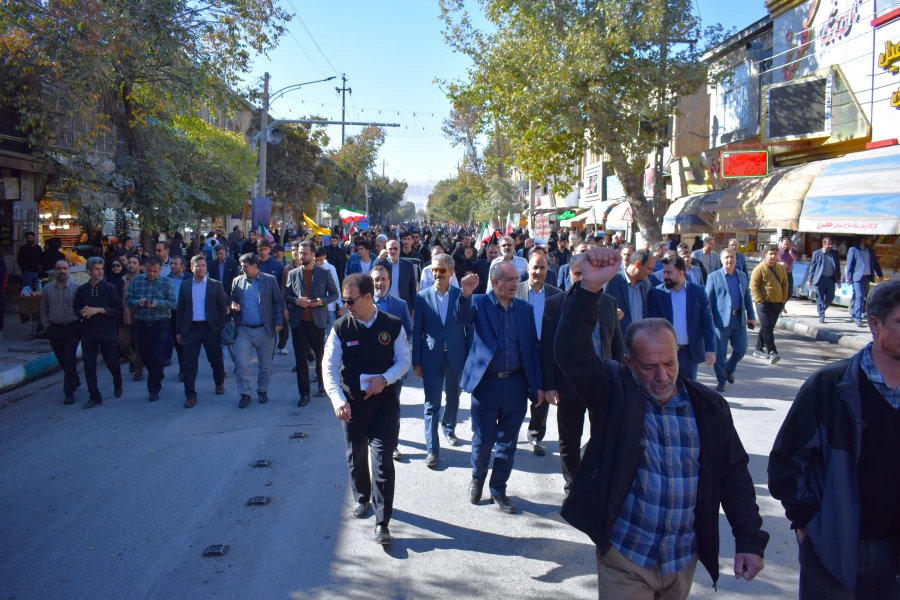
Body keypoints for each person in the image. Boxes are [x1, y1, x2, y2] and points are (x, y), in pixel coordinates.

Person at [558, 246, 768, 598]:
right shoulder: (615, 392)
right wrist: (589, 290)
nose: (661, 375)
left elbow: (734, 473)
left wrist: (749, 539)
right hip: (626, 555)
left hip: (680, 560)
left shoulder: (709, 407)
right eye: (649, 366)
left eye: (669, 364)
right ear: (627, 362)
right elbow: (570, 352)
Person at [768, 279, 900, 600]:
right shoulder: (829, 387)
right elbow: (785, 464)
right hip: (836, 551)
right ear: (874, 325)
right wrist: (811, 526)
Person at [323, 273, 411, 545]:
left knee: (383, 461)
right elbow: (328, 368)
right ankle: (362, 496)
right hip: (352, 406)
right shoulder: (340, 328)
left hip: (384, 405)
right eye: (344, 301)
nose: (346, 305)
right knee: (357, 456)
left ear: (368, 297)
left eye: (350, 301)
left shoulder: (393, 326)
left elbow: (404, 361)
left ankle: (383, 521)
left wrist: (384, 380)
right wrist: (338, 400)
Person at [456, 262, 543, 514]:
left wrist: (536, 386)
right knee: (483, 440)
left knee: (508, 442)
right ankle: (477, 478)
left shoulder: (525, 310)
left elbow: (533, 348)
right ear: (495, 283)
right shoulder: (479, 302)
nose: (515, 284)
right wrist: (464, 295)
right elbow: (460, 318)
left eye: (516, 278)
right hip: (487, 383)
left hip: (516, 383)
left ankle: (498, 488)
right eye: (509, 279)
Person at [541, 252, 623, 495]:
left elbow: (615, 343)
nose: (580, 279)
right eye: (577, 274)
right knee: (569, 439)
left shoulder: (608, 302)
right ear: (569, 275)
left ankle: (593, 479)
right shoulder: (555, 304)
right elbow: (547, 347)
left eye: (584, 274)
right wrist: (548, 385)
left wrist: (622, 377)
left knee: (604, 435)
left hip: (604, 382)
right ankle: (572, 484)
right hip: (569, 385)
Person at [412, 253, 470, 468]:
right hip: (431, 358)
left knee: (453, 398)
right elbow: (418, 330)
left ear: (451, 272)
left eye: (442, 270)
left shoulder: (462, 295)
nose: (437, 274)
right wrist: (416, 361)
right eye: (434, 270)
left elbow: (469, 329)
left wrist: (470, 359)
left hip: (456, 357)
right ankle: (432, 451)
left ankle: (449, 429)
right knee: (431, 405)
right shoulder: (422, 297)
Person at [515, 253, 562, 457]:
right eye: (535, 267)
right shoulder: (515, 290)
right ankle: (508, 433)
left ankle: (536, 434)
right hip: (519, 351)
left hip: (545, 352)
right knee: (515, 394)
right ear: (527, 269)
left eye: (542, 268)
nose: (538, 272)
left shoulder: (556, 294)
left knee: (540, 396)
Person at [285, 241, 339, 407]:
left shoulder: (324, 273)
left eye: (305, 253)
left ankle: (323, 385)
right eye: (300, 253)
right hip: (299, 322)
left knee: (321, 357)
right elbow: (286, 295)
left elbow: (335, 294)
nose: (301, 256)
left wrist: (321, 302)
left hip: (318, 321)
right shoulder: (293, 274)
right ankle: (304, 394)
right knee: (301, 359)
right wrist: (296, 301)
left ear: (313, 255)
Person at [648, 255, 716, 381]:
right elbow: (653, 325)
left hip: (689, 353)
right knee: (666, 387)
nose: (665, 276)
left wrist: (710, 349)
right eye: (664, 272)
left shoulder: (698, 292)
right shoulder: (657, 293)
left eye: (669, 272)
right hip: (666, 352)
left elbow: (707, 322)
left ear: (681, 273)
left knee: (689, 389)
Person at [229, 253, 284, 408]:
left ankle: (262, 390)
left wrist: (279, 322)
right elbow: (233, 298)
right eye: (241, 266)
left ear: (254, 266)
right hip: (244, 330)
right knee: (241, 363)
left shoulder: (269, 280)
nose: (242, 269)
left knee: (265, 364)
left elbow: (278, 302)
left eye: (245, 266)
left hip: (265, 329)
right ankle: (245, 393)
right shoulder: (237, 281)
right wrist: (233, 305)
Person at [370, 265, 413, 460]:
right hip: (369, 367)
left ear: (389, 281)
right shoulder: (365, 304)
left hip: (394, 367)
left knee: (392, 407)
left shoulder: (400, 305)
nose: (380, 283)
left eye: (383, 279)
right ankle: (372, 441)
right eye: (376, 279)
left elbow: (408, 332)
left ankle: (392, 444)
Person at [176, 254, 227, 409]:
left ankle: (219, 383)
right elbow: (181, 310)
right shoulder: (185, 285)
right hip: (191, 329)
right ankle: (190, 395)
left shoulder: (216, 285)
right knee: (189, 363)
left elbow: (221, 309)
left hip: (210, 328)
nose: (201, 268)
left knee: (216, 360)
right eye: (198, 265)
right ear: (192, 268)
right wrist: (179, 331)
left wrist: (219, 326)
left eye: (203, 265)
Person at [73, 257, 123, 409]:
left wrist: (98, 310)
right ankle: (94, 396)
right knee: (89, 366)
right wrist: (82, 312)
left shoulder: (109, 288)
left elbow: (117, 309)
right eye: (97, 269)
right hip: (89, 333)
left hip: (107, 332)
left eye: (102, 268)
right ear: (89, 271)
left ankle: (117, 381)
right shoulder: (81, 290)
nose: (100, 271)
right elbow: (76, 309)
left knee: (111, 362)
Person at [705, 248, 757, 393]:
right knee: (720, 354)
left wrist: (751, 316)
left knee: (741, 348)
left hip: (738, 319)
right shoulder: (713, 277)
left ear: (736, 259)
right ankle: (721, 380)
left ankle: (729, 368)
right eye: (726, 257)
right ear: (721, 260)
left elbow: (747, 297)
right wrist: (707, 322)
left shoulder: (742, 276)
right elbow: (707, 301)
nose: (729, 260)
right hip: (720, 322)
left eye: (732, 257)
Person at [126, 255, 176, 402]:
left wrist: (158, 304)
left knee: (157, 355)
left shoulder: (166, 282)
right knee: (144, 354)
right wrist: (138, 302)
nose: (152, 274)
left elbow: (172, 302)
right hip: (142, 322)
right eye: (149, 270)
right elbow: (128, 299)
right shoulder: (136, 281)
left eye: (155, 271)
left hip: (160, 323)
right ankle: (157, 372)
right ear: (144, 268)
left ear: (160, 270)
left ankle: (153, 389)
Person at [41, 260, 81, 404]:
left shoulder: (77, 288)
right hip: (55, 328)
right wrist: (47, 326)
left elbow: (82, 308)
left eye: (65, 268)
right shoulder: (48, 289)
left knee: (70, 358)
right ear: (54, 271)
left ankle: (68, 392)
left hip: (72, 327)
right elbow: (44, 309)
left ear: (69, 270)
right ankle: (74, 379)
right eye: (59, 269)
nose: (62, 271)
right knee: (62, 359)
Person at [603, 247, 657, 336]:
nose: (651, 273)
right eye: (649, 268)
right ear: (638, 264)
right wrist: (611, 313)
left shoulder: (647, 285)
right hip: (617, 342)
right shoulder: (611, 281)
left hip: (640, 341)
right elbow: (599, 309)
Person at [749, 245, 789, 364]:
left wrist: (783, 299)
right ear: (765, 254)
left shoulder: (780, 268)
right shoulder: (759, 269)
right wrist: (759, 300)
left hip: (777, 303)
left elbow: (785, 283)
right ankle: (772, 351)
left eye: (775, 254)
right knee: (767, 327)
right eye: (770, 254)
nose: (773, 256)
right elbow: (753, 285)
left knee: (768, 327)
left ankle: (758, 348)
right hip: (763, 304)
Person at [845, 235, 883, 328]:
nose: (870, 242)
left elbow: (875, 264)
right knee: (860, 297)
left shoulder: (870, 251)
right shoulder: (854, 249)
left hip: (866, 277)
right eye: (869, 240)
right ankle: (858, 318)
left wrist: (880, 275)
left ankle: (854, 314)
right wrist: (848, 277)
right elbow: (849, 264)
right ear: (863, 240)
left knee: (859, 296)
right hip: (857, 278)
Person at [118, 256, 144, 381]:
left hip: (140, 317)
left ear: (140, 266)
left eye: (134, 263)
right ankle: (134, 361)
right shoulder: (122, 280)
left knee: (139, 345)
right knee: (123, 342)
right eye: (129, 263)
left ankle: (139, 369)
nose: (131, 265)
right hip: (125, 316)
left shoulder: (144, 279)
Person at [165, 255, 191, 377]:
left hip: (184, 314)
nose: (173, 266)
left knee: (183, 343)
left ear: (183, 266)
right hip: (169, 314)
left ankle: (184, 369)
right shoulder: (165, 279)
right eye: (171, 263)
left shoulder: (189, 279)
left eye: (176, 264)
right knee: (172, 342)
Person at [376, 240, 417, 312]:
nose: (393, 251)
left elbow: (412, 287)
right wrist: (379, 257)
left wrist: (413, 307)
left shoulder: (408, 265)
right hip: (385, 303)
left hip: (403, 304)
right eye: (390, 249)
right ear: (386, 250)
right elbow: (372, 271)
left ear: (399, 249)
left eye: (395, 249)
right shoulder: (382, 263)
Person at [808, 237, 841, 324]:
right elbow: (812, 267)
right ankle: (821, 316)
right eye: (828, 244)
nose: (830, 246)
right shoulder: (817, 253)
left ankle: (821, 309)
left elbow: (837, 266)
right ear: (823, 244)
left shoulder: (834, 253)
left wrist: (838, 278)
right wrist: (809, 279)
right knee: (820, 298)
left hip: (830, 278)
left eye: (831, 244)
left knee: (831, 297)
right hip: (820, 279)